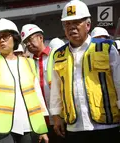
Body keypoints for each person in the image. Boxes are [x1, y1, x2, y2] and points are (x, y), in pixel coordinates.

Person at [0, 6, 48, 143]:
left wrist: (43, 128)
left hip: (28, 125)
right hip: (0, 129)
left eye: (5, 36)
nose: (1, 40)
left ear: (15, 38)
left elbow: (37, 96)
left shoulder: (29, 64)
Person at [50, 1, 120, 143]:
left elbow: (119, 83)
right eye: (67, 24)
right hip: (75, 128)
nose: (71, 28)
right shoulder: (59, 55)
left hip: (106, 125)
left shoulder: (106, 48)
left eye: (76, 22)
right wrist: (56, 116)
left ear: (88, 25)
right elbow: (56, 89)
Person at [21, 24, 65, 143]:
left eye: (30, 39)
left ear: (40, 37)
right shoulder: (28, 63)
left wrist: (58, 116)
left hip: (61, 118)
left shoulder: (57, 56)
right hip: (42, 122)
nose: (28, 44)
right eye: (26, 42)